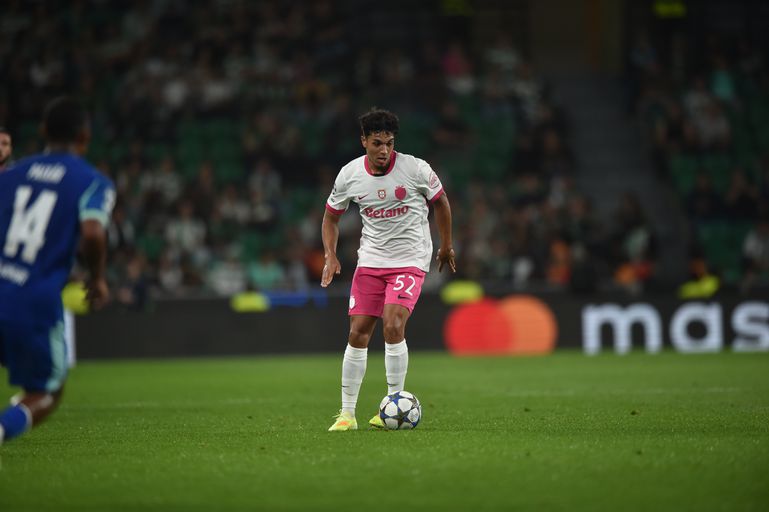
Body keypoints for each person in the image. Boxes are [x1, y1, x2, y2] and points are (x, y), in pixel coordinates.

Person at [321, 108, 455, 431]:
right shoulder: (350, 175)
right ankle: (347, 415)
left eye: (390, 143)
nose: (384, 150)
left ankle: (393, 405)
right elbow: (330, 218)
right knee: (357, 332)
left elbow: (441, 202)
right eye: (377, 143)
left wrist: (446, 245)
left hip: (410, 259)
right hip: (371, 261)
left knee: (393, 324)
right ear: (363, 141)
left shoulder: (415, 168)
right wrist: (330, 255)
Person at [0, 96, 115, 445]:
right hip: (33, 299)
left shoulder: (12, 175)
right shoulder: (92, 182)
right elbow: (93, 233)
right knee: (47, 391)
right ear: (85, 137)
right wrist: (97, 277)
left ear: (43, 130)